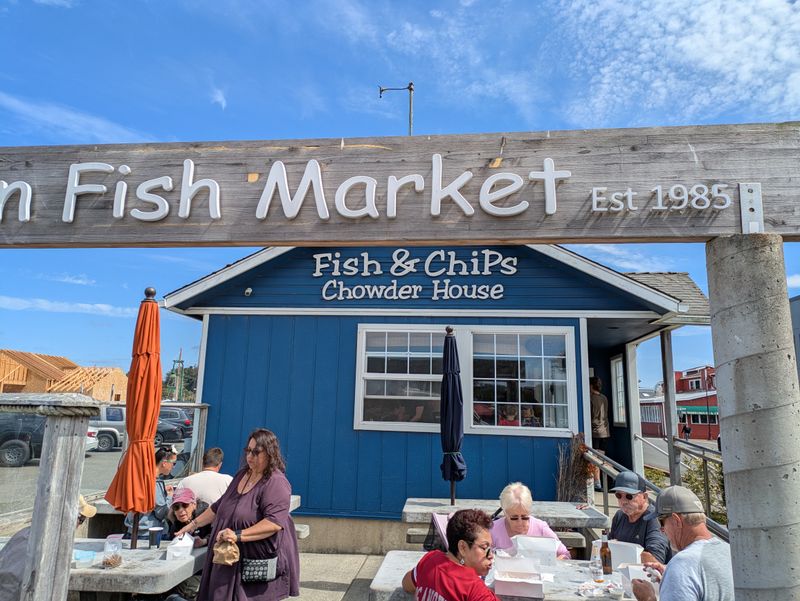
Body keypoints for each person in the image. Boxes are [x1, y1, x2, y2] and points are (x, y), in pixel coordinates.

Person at [177, 428, 300, 601]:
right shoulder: (243, 474)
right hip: (225, 559)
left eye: (256, 452)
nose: (250, 456)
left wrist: (237, 535)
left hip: (251, 564)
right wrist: (192, 525)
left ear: (270, 453)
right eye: (248, 451)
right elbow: (219, 506)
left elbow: (273, 523)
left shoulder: (276, 482)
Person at [632, 486, 733, 601]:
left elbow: (687, 570)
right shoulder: (729, 551)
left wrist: (648, 598)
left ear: (676, 521)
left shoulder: (681, 565)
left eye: (662, 522)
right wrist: (669, 577)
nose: (662, 530)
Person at [0, 495, 96, 600]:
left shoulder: (26, 533)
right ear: (69, 518)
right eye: (81, 519)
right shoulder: (49, 544)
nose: (79, 525)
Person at [402, 508, 498, 601]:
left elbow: (407, 584)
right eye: (484, 548)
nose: (491, 555)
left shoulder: (431, 560)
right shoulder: (475, 589)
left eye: (491, 548)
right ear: (463, 547)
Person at [490, 482, 570, 559]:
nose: (520, 522)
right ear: (505, 513)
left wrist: (550, 566)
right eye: (514, 517)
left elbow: (565, 554)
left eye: (525, 517)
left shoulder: (540, 528)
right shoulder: (493, 530)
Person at [608, 471, 670, 564]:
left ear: (644, 497)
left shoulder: (654, 519)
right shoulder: (619, 516)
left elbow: (656, 561)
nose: (623, 501)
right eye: (619, 495)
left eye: (629, 496)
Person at [164, 488, 212, 601]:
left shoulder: (206, 518)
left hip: (205, 572)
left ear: (194, 505)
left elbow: (218, 536)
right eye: (176, 507)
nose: (181, 510)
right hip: (183, 572)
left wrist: (204, 541)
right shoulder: (176, 524)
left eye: (185, 505)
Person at [125, 446, 176, 539]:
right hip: (150, 533)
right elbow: (161, 512)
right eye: (173, 463)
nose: (173, 467)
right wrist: (169, 497)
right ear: (164, 463)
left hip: (133, 529)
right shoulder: (155, 483)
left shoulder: (140, 478)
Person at [590, 376, 610, 491]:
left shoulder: (591, 399)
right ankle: (605, 481)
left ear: (591, 386)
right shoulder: (604, 398)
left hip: (595, 432)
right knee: (602, 458)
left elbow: (591, 416)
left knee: (594, 458)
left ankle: (597, 483)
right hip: (605, 432)